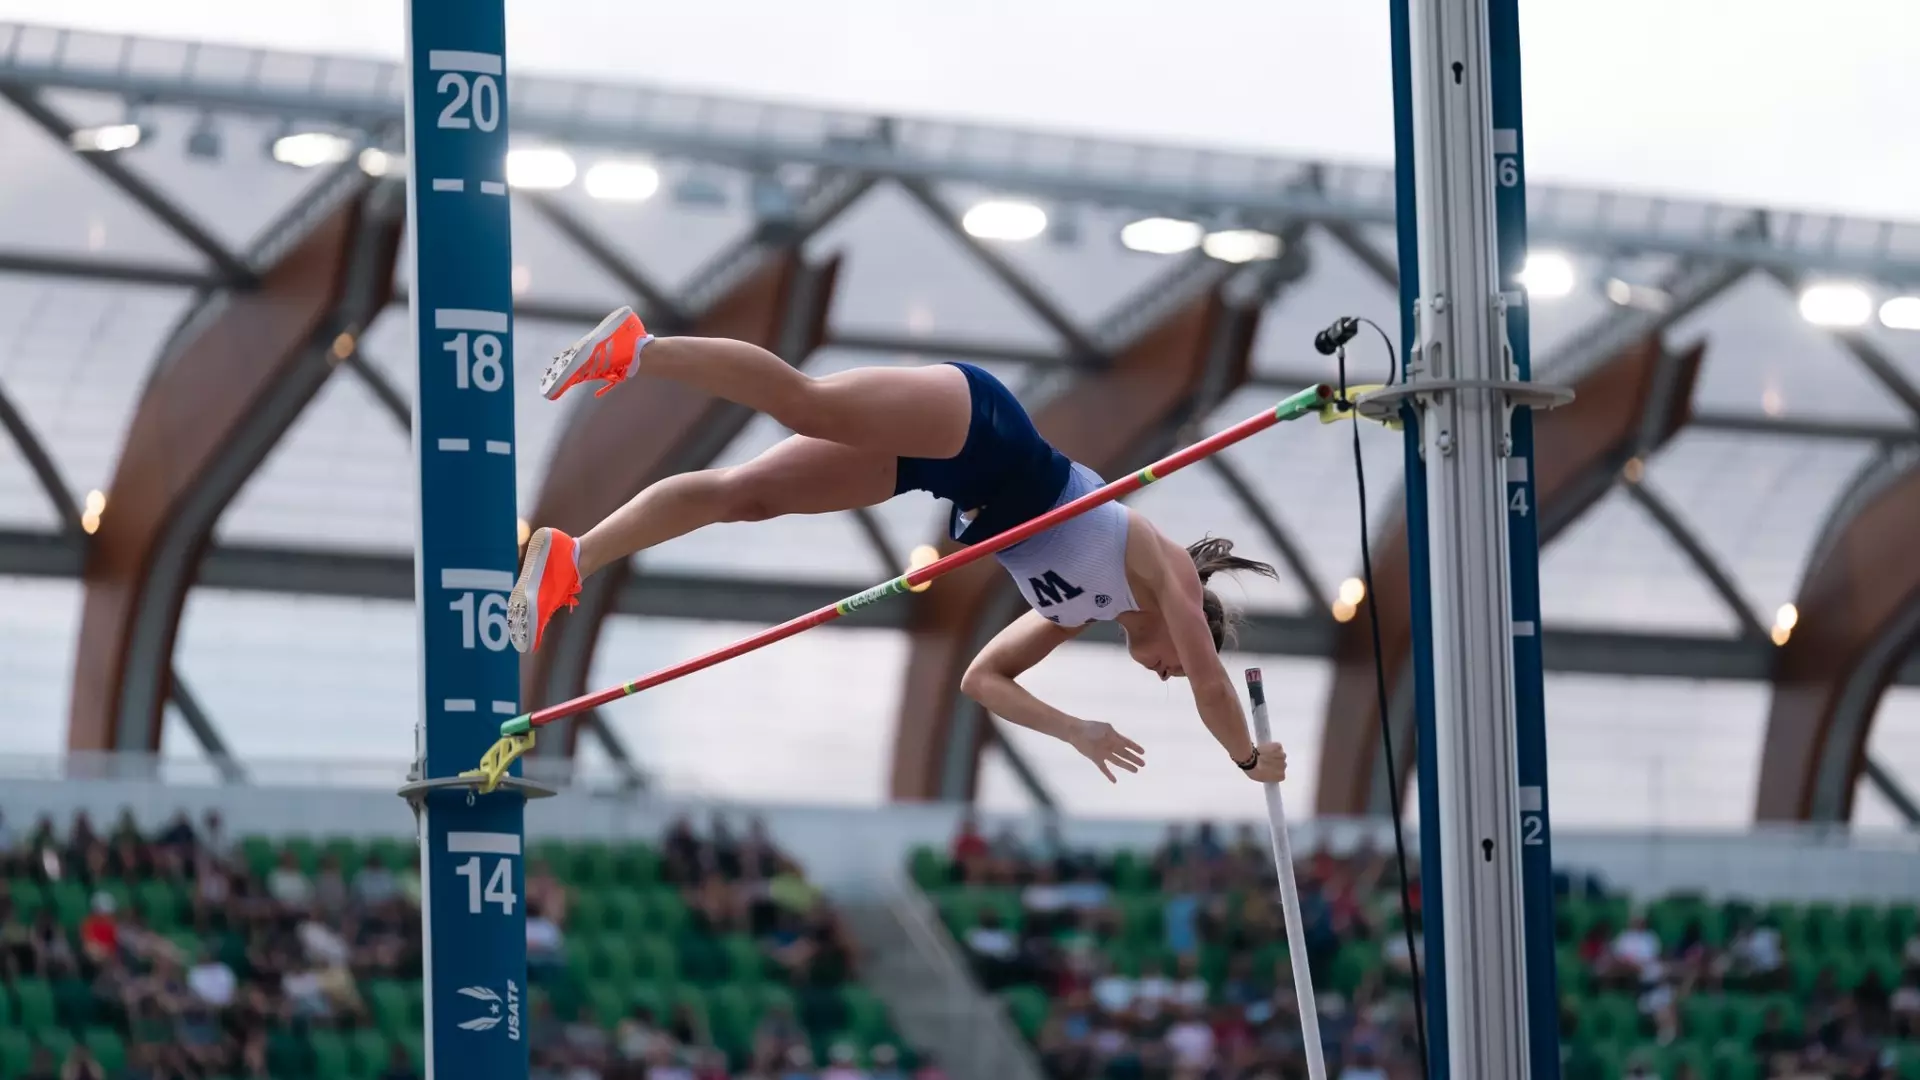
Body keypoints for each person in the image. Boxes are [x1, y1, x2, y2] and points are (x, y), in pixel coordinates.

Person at [514, 308, 1291, 785]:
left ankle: (573, 557)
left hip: (938, 473)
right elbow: (1212, 689)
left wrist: (1075, 730)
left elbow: (982, 680)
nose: (1172, 669)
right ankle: (637, 348)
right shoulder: (1169, 574)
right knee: (807, 403)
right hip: (980, 427)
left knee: (743, 498)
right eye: (1180, 662)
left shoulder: (1077, 610)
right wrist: (1250, 759)